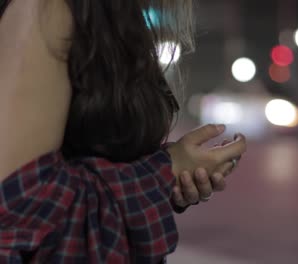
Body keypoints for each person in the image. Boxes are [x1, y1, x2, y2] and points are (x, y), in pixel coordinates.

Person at [0, 0, 247, 263]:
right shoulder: (46, 8)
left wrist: (171, 176)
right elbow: (17, 202)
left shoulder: (119, 17)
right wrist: (164, 173)